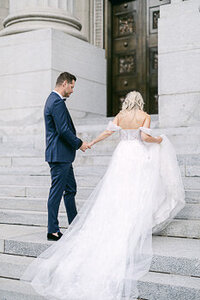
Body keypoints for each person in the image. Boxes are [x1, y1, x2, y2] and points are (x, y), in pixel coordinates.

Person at [21, 91, 185, 299]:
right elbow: (144, 137)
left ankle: (117, 221)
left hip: (122, 155)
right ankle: (133, 223)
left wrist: (91, 143)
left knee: (117, 191)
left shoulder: (120, 115)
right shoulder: (144, 116)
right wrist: (159, 139)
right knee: (136, 190)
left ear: (127, 101)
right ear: (140, 101)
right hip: (137, 155)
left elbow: (107, 133)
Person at [44, 72, 90, 241]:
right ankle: (52, 230)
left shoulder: (54, 100)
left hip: (62, 155)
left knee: (70, 189)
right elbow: (63, 130)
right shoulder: (56, 102)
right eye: (71, 86)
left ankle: (75, 225)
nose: (72, 90)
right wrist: (79, 144)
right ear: (64, 83)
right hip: (59, 155)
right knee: (56, 192)